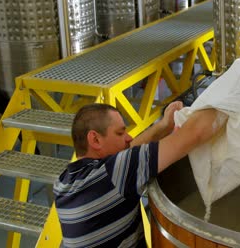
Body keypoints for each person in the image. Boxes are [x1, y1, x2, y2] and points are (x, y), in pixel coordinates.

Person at [53, 101, 224, 247]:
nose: (128, 137)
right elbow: (196, 133)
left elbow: (129, 152)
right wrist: (225, 100)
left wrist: (164, 125)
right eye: (120, 133)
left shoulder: (63, 183)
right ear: (95, 139)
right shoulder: (113, 174)